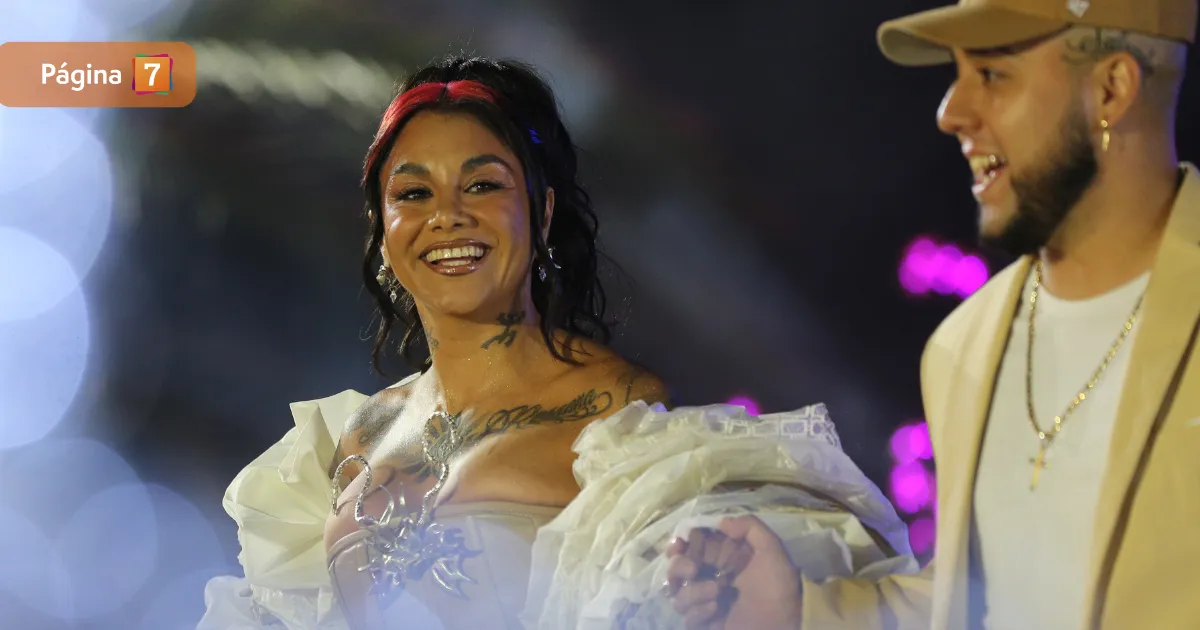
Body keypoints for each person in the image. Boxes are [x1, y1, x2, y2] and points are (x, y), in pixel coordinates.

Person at [197, 54, 918, 630]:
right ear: (383, 232)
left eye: (482, 186)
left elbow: (721, 591)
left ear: (541, 214)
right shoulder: (353, 437)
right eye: (413, 194)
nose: (447, 216)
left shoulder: (617, 412)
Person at [669, 0, 1200, 628]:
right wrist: (805, 611)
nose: (951, 111)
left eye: (993, 74)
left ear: (1111, 88)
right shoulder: (963, 347)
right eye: (958, 73)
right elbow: (980, 599)